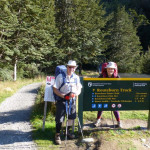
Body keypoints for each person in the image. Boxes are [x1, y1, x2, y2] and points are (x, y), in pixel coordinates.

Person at [53, 60, 82, 145]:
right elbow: (55, 89)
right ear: (67, 67)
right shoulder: (60, 76)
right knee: (59, 118)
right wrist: (63, 96)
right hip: (62, 99)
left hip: (72, 100)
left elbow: (79, 88)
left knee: (71, 117)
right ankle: (57, 135)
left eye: (73, 67)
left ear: (75, 68)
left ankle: (67, 132)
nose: (71, 69)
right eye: (69, 67)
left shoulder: (76, 77)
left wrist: (75, 94)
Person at [94, 62, 122, 128]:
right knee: (100, 107)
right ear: (106, 69)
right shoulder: (101, 76)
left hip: (113, 95)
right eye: (109, 69)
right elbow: (97, 84)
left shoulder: (117, 77)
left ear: (114, 70)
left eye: (112, 69)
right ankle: (98, 120)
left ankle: (119, 122)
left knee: (115, 108)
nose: (110, 70)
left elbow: (120, 86)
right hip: (103, 94)